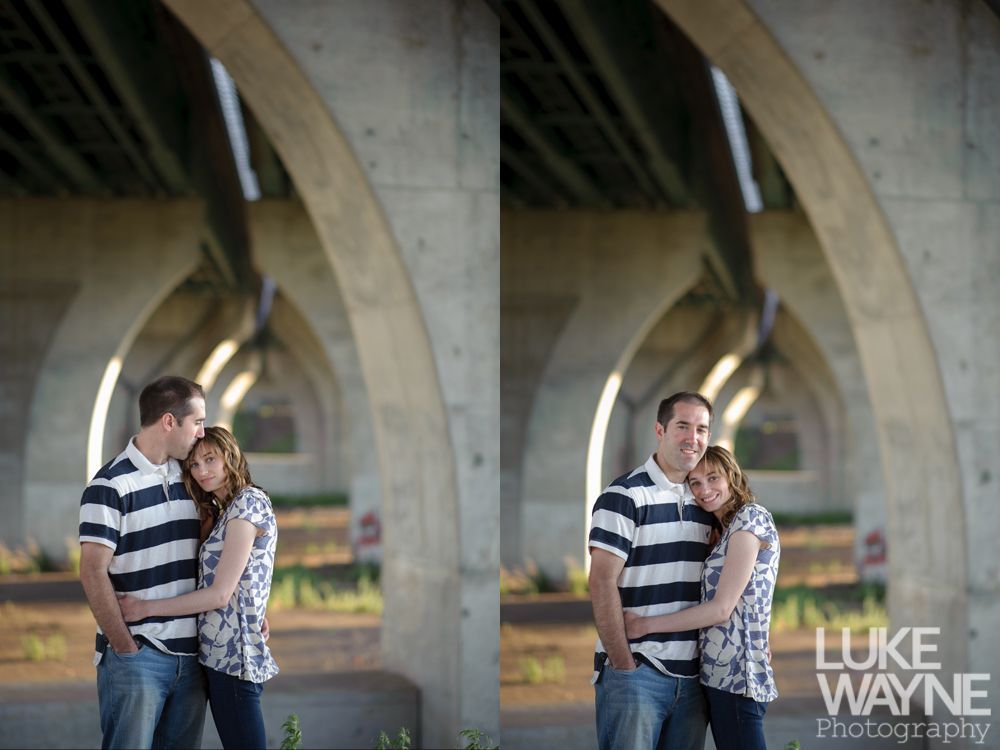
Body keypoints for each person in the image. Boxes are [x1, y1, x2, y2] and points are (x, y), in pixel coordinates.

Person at [118, 426, 279, 750]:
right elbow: (248, 578)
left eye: (210, 459)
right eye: (193, 464)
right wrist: (253, 612)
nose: (202, 470)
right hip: (216, 656)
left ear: (229, 457)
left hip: (234, 660)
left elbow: (220, 594)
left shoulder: (248, 502)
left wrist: (145, 608)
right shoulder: (224, 512)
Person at [78, 375, 208, 749]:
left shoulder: (192, 478)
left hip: (192, 659)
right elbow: (91, 570)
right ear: (170, 421)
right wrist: (125, 647)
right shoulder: (110, 485)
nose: (202, 433)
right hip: (139, 657)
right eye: (197, 422)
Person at [625, 445, 780, 750]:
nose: (704, 489)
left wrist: (645, 625)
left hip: (737, 677)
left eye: (713, 478)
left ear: (731, 477)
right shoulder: (721, 528)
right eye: (695, 483)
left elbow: (722, 609)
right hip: (716, 675)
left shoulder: (751, 519)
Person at [588, 391, 715, 750]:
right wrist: (624, 665)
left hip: (693, 681)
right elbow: (600, 582)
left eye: (702, 429)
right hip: (638, 673)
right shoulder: (624, 496)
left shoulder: (707, 500)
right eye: (683, 426)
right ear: (659, 430)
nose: (693, 438)